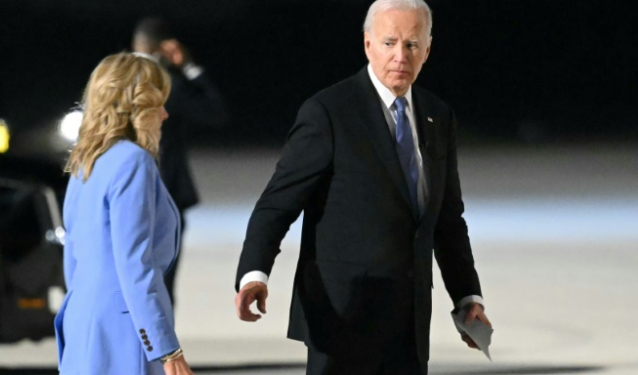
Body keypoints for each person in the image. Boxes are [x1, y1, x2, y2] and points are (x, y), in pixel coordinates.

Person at [234, 1, 492, 374]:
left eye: (412, 45)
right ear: (368, 44)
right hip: (341, 324)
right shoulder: (329, 112)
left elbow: (447, 220)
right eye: (389, 43)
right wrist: (254, 275)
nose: (400, 56)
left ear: (428, 50)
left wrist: (467, 295)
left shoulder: (438, 116)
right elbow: (277, 205)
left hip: (410, 326)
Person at [55, 52, 193, 375]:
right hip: (122, 331)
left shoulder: (84, 162)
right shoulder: (133, 162)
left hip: (82, 323)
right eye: (158, 103)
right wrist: (167, 349)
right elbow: (136, 265)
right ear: (139, 108)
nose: (165, 113)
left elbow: (72, 259)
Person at [132, 18, 226, 305]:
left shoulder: (113, 80)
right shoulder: (164, 82)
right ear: (165, 48)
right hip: (165, 191)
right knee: (162, 281)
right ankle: (161, 348)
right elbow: (215, 111)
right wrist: (189, 66)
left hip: (122, 193)